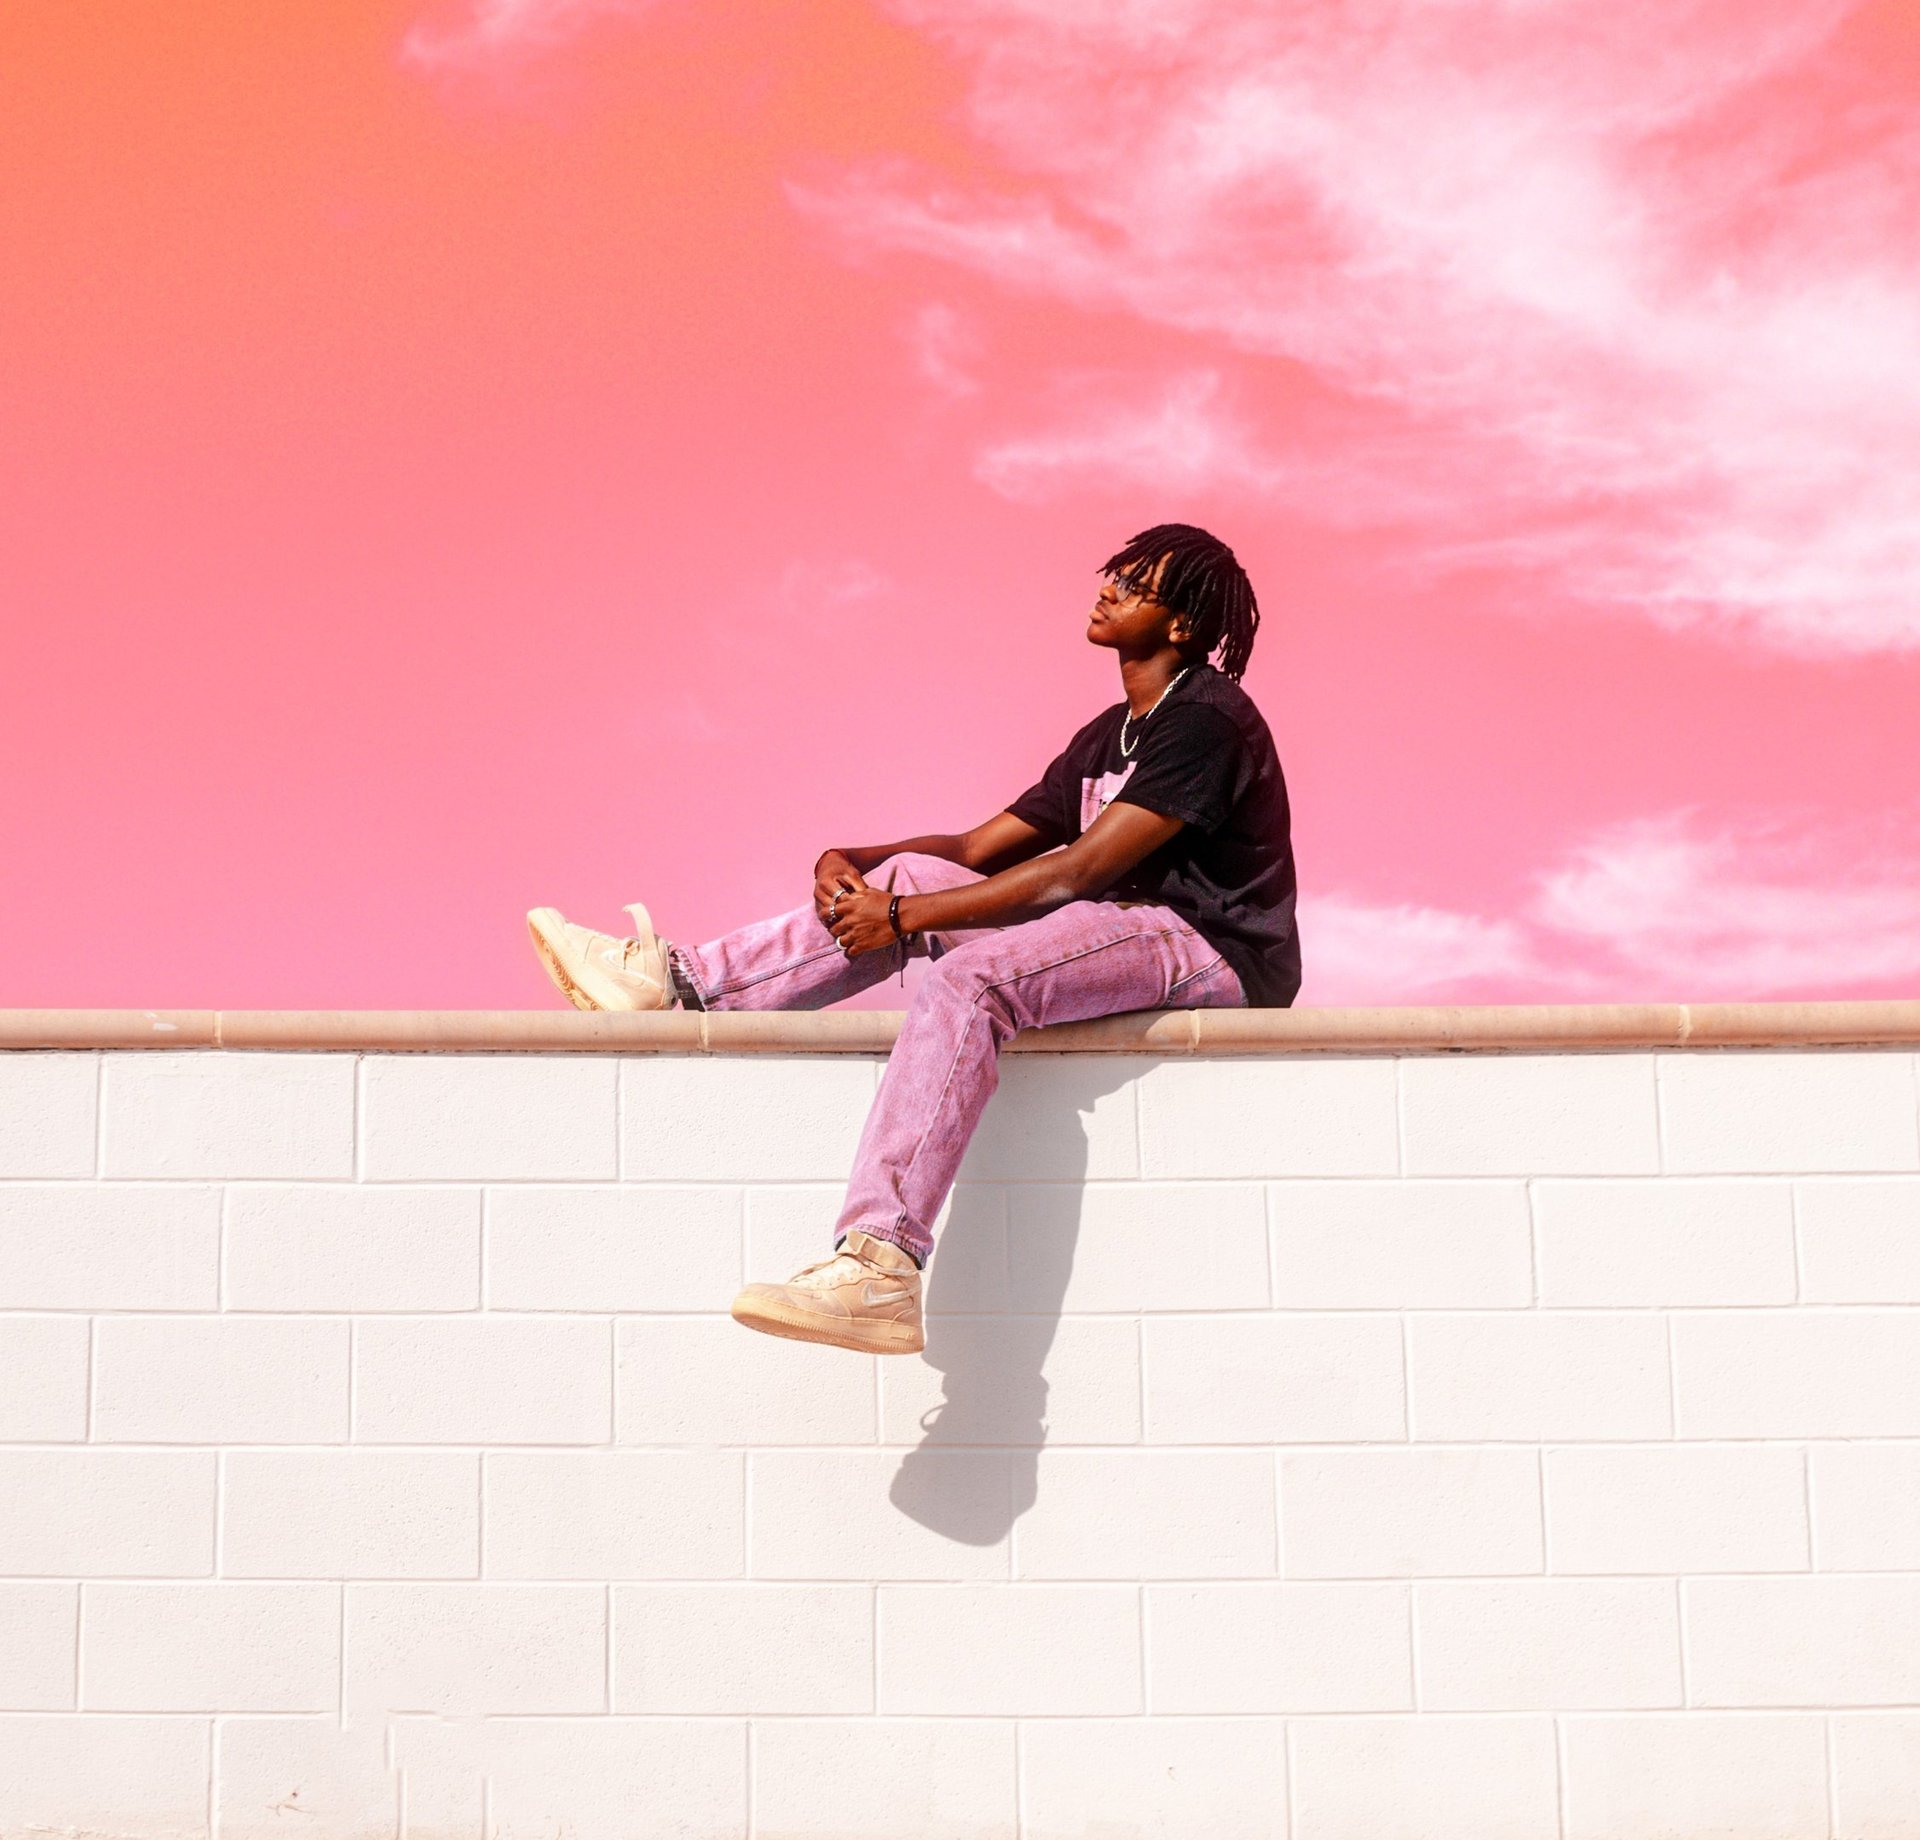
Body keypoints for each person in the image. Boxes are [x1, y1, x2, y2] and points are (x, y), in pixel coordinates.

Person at [526, 523, 1300, 1355]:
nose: (1106, 586)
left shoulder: (1206, 721)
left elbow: (1080, 870)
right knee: (911, 880)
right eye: (1112, 572)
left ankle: (881, 1264)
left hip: (1212, 945)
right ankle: (681, 986)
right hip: (1116, 928)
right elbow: (975, 852)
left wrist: (899, 922)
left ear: (1181, 624)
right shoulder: (1108, 732)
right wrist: (862, 862)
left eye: (1134, 583)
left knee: (971, 982)